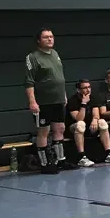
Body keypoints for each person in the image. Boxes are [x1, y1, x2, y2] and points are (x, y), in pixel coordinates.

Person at [25, 28, 70, 174]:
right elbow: (29, 82)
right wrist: (32, 102)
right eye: (46, 37)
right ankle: (45, 164)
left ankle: (60, 160)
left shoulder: (55, 54)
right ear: (39, 40)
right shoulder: (33, 57)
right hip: (43, 102)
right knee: (44, 131)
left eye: (51, 36)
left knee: (60, 128)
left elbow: (59, 77)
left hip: (58, 99)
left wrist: (63, 94)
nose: (50, 39)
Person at [65, 79, 110, 167]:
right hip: (74, 128)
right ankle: (82, 157)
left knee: (102, 123)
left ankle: (108, 154)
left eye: (89, 87)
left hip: (90, 127)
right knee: (81, 124)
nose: (88, 90)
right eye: (85, 88)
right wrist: (83, 103)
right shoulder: (72, 100)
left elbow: (96, 114)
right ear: (78, 90)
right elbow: (79, 119)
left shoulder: (93, 98)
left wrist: (95, 119)